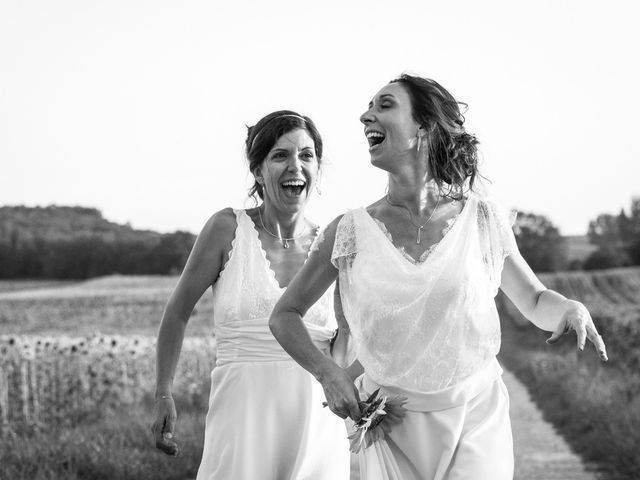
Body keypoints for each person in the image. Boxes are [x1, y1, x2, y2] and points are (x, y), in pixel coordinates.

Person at [269, 75, 609, 480]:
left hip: (475, 415)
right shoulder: (349, 232)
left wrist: (568, 308)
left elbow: (534, 300)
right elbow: (285, 315)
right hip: (391, 426)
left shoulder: (481, 218)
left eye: (384, 105)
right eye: (369, 107)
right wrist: (329, 374)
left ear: (424, 127)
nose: (365, 116)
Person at [151, 110, 350, 479]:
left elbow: (347, 340)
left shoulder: (333, 244)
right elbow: (177, 313)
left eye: (306, 155)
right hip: (241, 417)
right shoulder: (227, 228)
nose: (296, 166)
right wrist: (164, 391)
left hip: (317, 423)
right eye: (280, 155)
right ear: (258, 172)